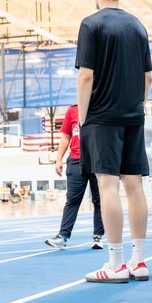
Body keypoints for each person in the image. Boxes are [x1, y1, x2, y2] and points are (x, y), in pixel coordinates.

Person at [76, 0, 152, 284]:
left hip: (102, 117)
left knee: (108, 186)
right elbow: (148, 77)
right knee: (135, 186)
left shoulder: (91, 24)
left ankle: (116, 262)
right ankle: (139, 261)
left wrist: (82, 117)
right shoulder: (138, 26)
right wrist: (138, 105)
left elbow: (85, 76)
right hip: (133, 115)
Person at [45, 103, 105, 250]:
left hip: (98, 160)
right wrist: (59, 159)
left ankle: (98, 236)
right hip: (76, 160)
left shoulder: (102, 105)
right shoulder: (72, 110)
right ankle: (63, 237)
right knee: (72, 200)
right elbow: (66, 136)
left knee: (100, 201)